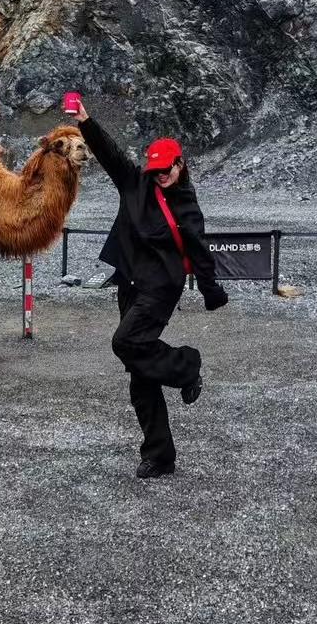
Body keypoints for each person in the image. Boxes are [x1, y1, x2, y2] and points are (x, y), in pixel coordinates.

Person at [71, 99, 228, 478]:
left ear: (180, 165)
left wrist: (211, 292)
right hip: (129, 282)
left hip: (160, 289)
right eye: (155, 169)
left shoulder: (187, 208)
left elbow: (201, 255)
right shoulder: (135, 183)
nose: (160, 175)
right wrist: (86, 123)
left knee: (125, 343)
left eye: (166, 169)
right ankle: (159, 455)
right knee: (140, 372)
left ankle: (187, 366)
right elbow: (110, 154)